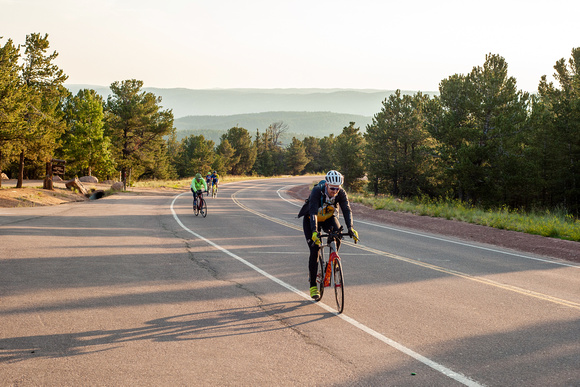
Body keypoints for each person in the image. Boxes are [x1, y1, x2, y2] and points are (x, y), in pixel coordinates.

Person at [298, 170, 359, 300]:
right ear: (326, 184)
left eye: (337, 188)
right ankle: (313, 284)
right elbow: (313, 212)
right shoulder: (317, 191)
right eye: (332, 188)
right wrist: (315, 232)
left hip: (327, 218)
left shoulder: (340, 193)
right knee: (315, 249)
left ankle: (332, 258)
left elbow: (347, 210)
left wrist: (351, 228)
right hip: (312, 219)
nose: (335, 191)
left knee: (338, 235)